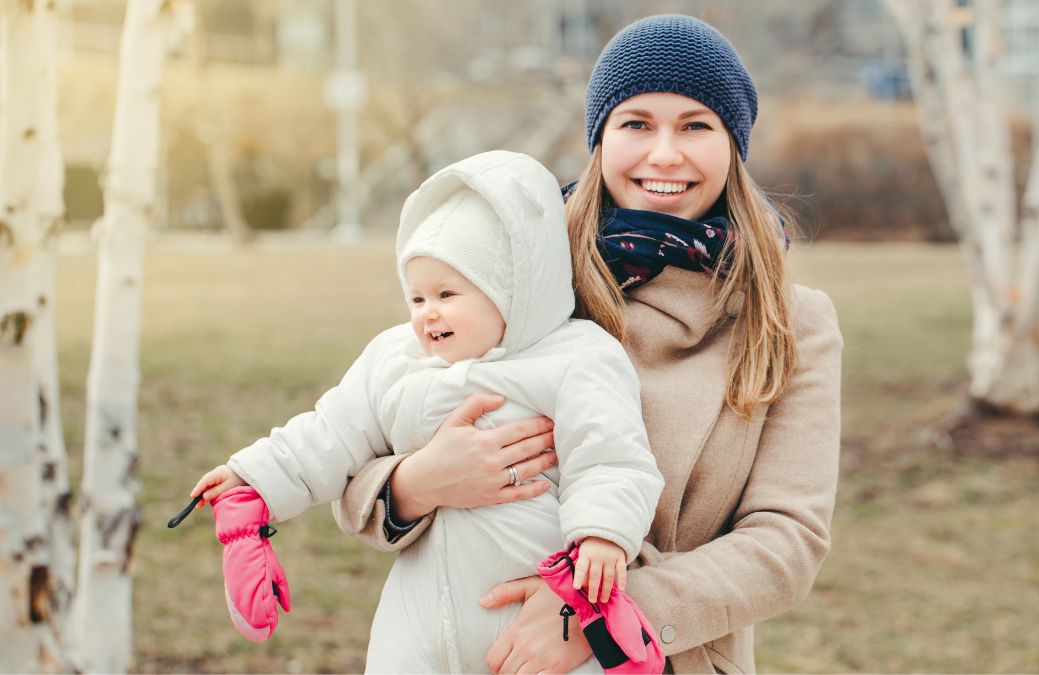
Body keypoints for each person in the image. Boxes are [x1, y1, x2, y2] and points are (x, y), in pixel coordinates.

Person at [336, 14, 842, 674]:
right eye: (636, 123)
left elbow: (787, 541)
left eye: (696, 125)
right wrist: (418, 480)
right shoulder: (521, 279)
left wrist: (602, 615)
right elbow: (365, 435)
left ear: (733, 145)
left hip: (664, 654)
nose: (665, 153)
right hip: (475, 642)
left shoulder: (791, 321)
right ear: (600, 138)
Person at [189, 150, 664, 673]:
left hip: (538, 616)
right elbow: (328, 433)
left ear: (512, 290)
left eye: (446, 292)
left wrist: (601, 534)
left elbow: (612, 456)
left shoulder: (576, 357)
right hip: (418, 620)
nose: (427, 313)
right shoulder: (395, 361)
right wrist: (250, 481)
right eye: (416, 298)